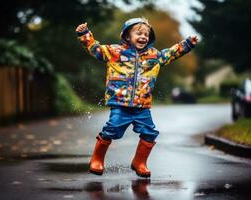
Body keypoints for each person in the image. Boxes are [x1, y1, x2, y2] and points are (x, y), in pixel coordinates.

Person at [75, 17, 198, 178]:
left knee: (150, 132)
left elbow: (170, 53)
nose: (143, 37)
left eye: (146, 34)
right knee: (111, 129)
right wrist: (85, 34)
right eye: (138, 33)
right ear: (127, 36)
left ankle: (139, 162)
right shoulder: (114, 52)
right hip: (120, 104)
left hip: (142, 106)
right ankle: (97, 159)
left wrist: (187, 44)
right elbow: (95, 48)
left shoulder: (153, 56)